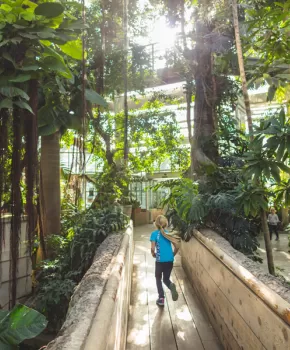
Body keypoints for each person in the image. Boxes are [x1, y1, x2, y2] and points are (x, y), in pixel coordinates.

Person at [150, 215, 179, 306]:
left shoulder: (154, 234)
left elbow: (152, 248)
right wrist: (173, 254)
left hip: (160, 261)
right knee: (166, 279)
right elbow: (177, 245)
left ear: (156, 224)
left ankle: (161, 299)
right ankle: (171, 286)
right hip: (169, 260)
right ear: (166, 223)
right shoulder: (169, 233)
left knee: (158, 278)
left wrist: (153, 254)